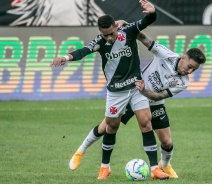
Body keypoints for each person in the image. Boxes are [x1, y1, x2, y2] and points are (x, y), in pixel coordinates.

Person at [51, 0, 169, 180]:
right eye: (105, 35)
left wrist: (152, 13)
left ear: (116, 27)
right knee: (111, 127)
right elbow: (83, 51)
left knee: (146, 123)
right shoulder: (100, 42)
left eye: (111, 33)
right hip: (116, 92)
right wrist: (66, 57)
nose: (109, 38)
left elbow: (146, 21)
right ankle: (104, 167)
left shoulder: (128, 32)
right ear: (101, 33)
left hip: (137, 87)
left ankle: (154, 168)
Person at [69, 31, 206, 178]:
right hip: (133, 95)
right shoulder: (167, 54)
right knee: (106, 127)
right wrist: (128, 26)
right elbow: (143, 38)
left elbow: (161, 95)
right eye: (190, 66)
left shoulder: (183, 82)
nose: (190, 71)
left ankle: (164, 165)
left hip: (154, 101)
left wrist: (145, 91)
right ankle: (80, 151)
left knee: (166, 141)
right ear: (184, 58)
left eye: (194, 70)